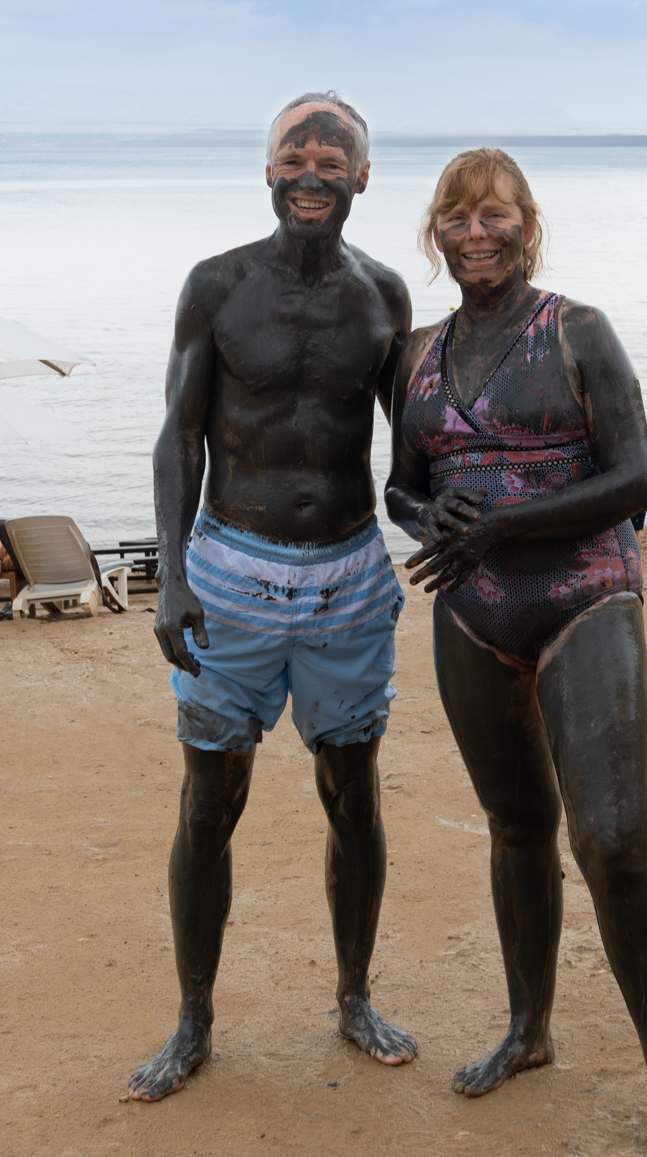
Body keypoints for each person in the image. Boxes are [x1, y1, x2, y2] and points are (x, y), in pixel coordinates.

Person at [385, 148, 647, 1157]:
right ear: (436, 235)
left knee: (613, 842)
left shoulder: (578, 332)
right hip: (470, 613)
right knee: (517, 828)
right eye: (456, 218)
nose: (475, 233)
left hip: (586, 599)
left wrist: (507, 527)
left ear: (528, 226)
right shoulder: (416, 353)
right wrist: (432, 516)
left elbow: (638, 477)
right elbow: (400, 485)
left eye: (495, 215)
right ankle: (529, 1031)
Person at [127, 91, 416, 1102]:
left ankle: (353, 997)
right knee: (210, 802)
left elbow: (412, 454)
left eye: (332, 162)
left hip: (347, 575)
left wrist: (461, 520)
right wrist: (171, 571)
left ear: (362, 177)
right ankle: (193, 1021)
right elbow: (179, 435)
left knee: (354, 797)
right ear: (267, 170)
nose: (311, 175)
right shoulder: (216, 285)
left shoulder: (384, 296)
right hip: (230, 574)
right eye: (295, 158)